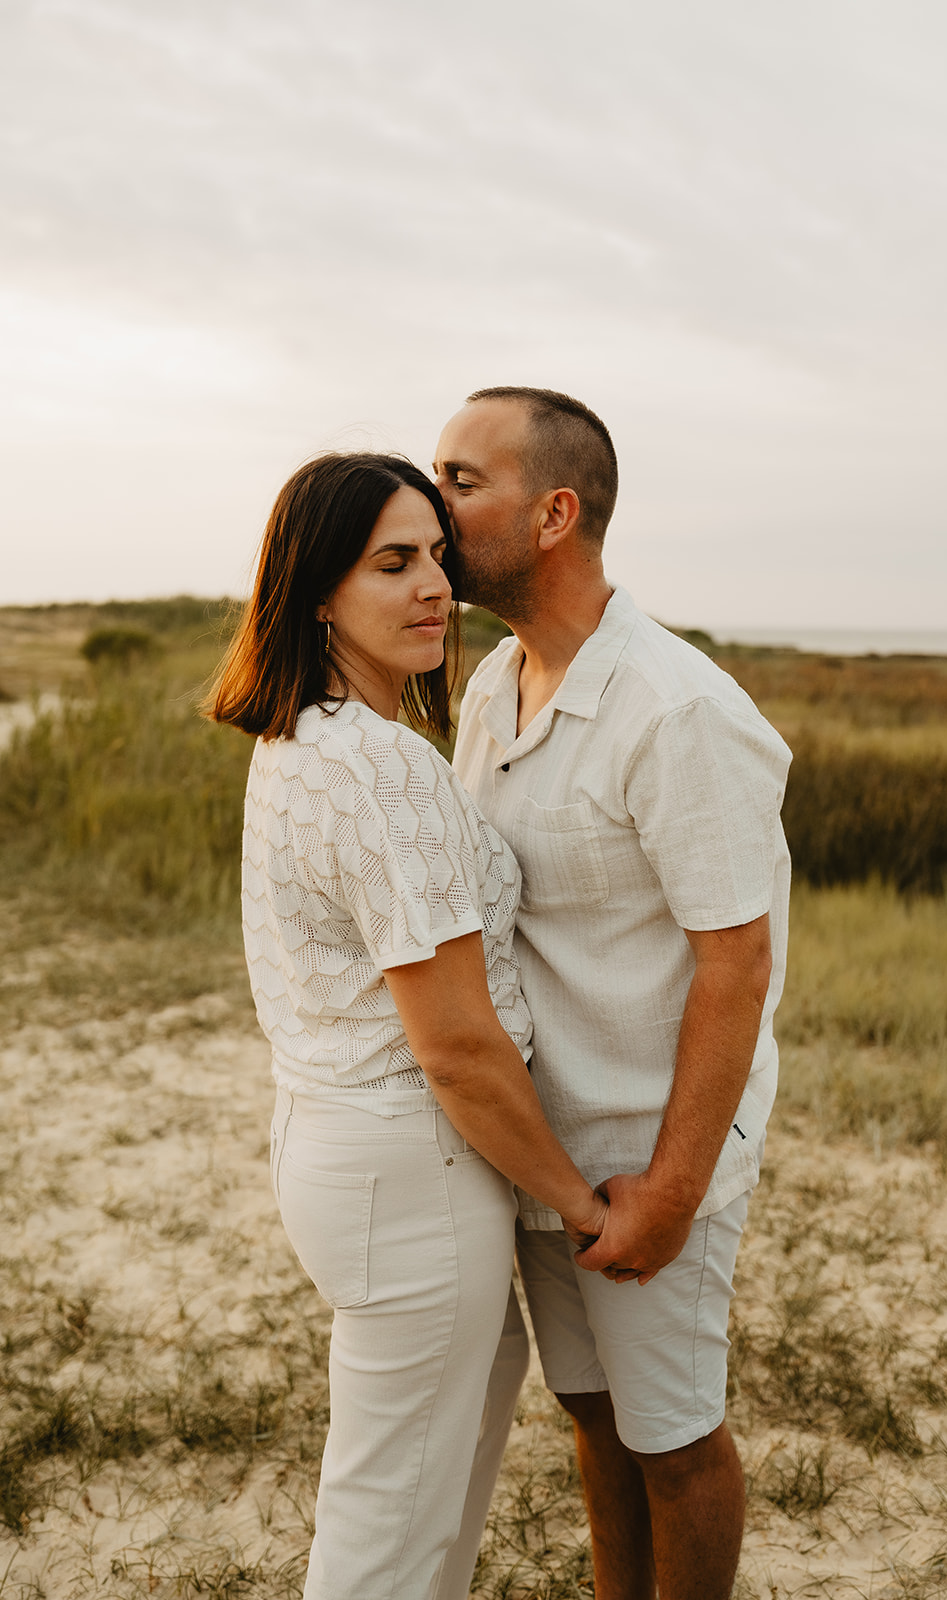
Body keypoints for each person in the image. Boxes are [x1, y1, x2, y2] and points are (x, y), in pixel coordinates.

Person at [207, 452, 609, 1600]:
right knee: (389, 1519)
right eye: (394, 562)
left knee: (430, 1480)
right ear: (316, 589)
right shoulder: (376, 765)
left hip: (347, 1147)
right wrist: (578, 1205)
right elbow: (456, 1045)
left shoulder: (309, 736)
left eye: (437, 554)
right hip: (409, 1166)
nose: (434, 584)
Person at [433, 389, 792, 1600]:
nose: (433, 503)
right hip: (546, 1149)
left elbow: (734, 963)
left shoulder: (677, 709)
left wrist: (673, 1188)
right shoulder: (494, 685)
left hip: (650, 1154)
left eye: (460, 479)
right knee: (592, 1418)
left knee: (674, 1440)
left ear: (553, 513)